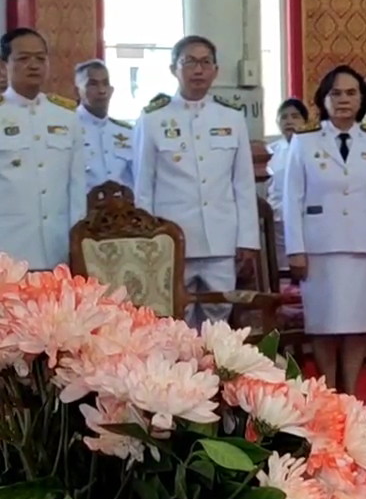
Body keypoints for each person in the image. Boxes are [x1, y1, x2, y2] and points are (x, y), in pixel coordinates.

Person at [282, 65, 366, 393]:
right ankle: (326, 391)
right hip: (320, 247)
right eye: (336, 93)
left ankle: (350, 393)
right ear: (324, 98)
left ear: (362, 98)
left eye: (351, 93)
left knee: (357, 326)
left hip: (363, 245)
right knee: (323, 326)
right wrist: (296, 250)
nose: (344, 100)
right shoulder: (305, 142)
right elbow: (293, 199)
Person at [133, 36, 260, 327]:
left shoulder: (231, 117)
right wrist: (150, 239)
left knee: (219, 319)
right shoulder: (153, 118)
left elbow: (242, 183)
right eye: (189, 62)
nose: (198, 70)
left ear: (216, 70)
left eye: (205, 62)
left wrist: (247, 239)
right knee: (175, 319)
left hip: (221, 239)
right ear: (174, 69)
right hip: (173, 239)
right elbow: (143, 185)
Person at [0, 28, 88, 270]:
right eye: (23, 58)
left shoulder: (66, 116)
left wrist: (76, 241)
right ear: (4, 64)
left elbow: (76, 187)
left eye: (40, 58)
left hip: (56, 248)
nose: (34, 65)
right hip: (8, 250)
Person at [73, 60, 136, 193]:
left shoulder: (127, 132)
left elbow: (137, 179)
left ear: (112, 90)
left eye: (105, 84)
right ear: (77, 91)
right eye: (93, 84)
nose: (101, 91)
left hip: (122, 210)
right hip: (82, 210)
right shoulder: (67, 129)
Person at [265, 98, 310, 220]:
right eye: (284, 117)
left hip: (307, 217)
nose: (289, 121)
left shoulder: (315, 150)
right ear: (277, 122)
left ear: (305, 121)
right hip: (277, 219)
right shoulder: (269, 152)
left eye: (295, 117)